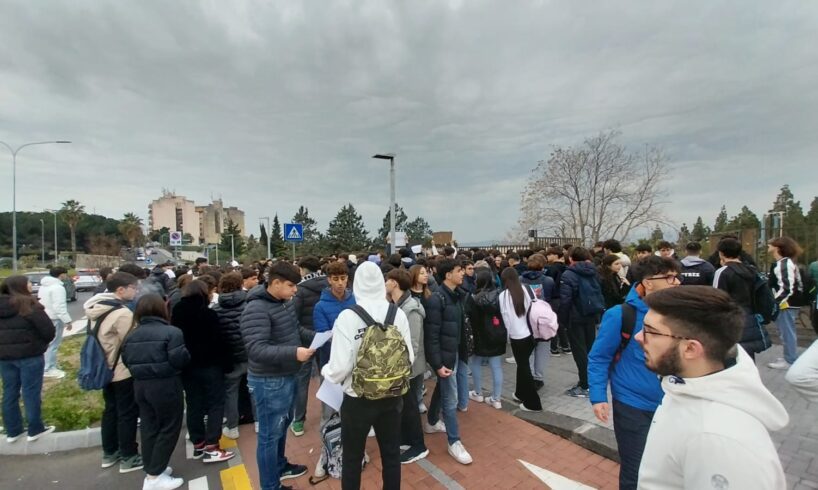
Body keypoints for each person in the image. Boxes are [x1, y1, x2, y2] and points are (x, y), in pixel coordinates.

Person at [635, 287, 788, 489]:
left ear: (690, 348)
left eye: (650, 331)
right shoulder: (686, 384)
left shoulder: (719, 441)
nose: (639, 337)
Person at [588, 257, 679, 490]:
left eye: (676, 277)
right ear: (648, 283)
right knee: (636, 471)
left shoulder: (680, 313)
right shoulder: (621, 315)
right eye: (670, 277)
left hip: (673, 404)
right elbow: (599, 357)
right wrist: (598, 397)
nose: (677, 282)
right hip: (633, 405)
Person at [322, 261, 413, 488]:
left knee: (352, 458)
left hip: (358, 399)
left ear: (356, 285)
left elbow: (339, 368)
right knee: (391, 455)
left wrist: (325, 371)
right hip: (392, 396)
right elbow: (408, 358)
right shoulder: (397, 313)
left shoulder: (347, 317)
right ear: (381, 283)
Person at [240, 261, 315, 490]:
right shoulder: (256, 309)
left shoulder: (284, 303)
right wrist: (294, 352)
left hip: (287, 374)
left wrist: (319, 337)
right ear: (275, 283)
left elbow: (295, 329)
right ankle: (270, 486)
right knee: (269, 436)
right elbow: (256, 349)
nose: (295, 290)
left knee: (282, 426)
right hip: (268, 381)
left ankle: (280, 466)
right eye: (291, 285)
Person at [121, 294, 190, 490]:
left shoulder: (131, 335)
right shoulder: (171, 332)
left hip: (140, 385)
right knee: (169, 427)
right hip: (166, 384)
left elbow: (126, 360)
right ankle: (154, 476)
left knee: (149, 427)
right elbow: (179, 359)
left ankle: (153, 469)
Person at [84, 272, 143, 472]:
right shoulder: (121, 313)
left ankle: (110, 452)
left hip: (103, 367)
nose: (136, 291)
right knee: (127, 413)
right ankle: (129, 456)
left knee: (110, 411)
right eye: (134, 287)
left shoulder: (96, 308)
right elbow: (133, 342)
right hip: (121, 369)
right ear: (121, 289)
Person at [172, 280, 234, 464]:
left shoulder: (177, 312)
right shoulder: (208, 314)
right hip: (210, 365)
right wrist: (227, 363)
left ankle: (198, 442)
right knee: (215, 403)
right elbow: (219, 341)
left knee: (194, 403)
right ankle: (212, 445)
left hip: (187, 366)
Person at [423, 258, 473, 465]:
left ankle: (431, 421)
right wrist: (437, 364)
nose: (463, 273)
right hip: (446, 357)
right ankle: (454, 442)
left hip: (456, 353)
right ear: (448, 275)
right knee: (450, 399)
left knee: (443, 389)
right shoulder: (437, 299)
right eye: (459, 270)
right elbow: (431, 336)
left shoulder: (458, 295)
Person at [0, 275, 56, 443]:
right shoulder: (29, 305)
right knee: (31, 392)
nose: (31, 285)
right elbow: (48, 331)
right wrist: (39, 344)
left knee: (9, 392)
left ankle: (13, 431)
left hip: (4, 358)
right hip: (30, 355)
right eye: (29, 283)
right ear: (22, 286)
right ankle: (35, 429)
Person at [385, 268, 429, 465]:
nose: (384, 284)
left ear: (394, 283)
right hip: (399, 366)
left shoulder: (411, 309)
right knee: (403, 405)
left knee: (410, 406)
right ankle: (406, 438)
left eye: (387, 280)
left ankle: (418, 445)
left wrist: (403, 367)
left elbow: (413, 343)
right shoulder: (396, 305)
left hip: (408, 367)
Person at [712, 238, 769, 360]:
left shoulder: (722, 272)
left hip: (730, 317)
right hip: (750, 316)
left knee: (732, 356)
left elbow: (717, 298)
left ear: (721, 253)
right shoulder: (752, 270)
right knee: (748, 355)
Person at [290, 256, 327, 437]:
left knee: (302, 382)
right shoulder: (328, 284)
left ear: (303, 269)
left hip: (306, 340)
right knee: (327, 377)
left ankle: (298, 421)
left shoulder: (300, 289)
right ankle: (329, 416)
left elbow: (293, 317)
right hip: (326, 337)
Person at [559, 247, 604, 397]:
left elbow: (565, 300)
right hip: (591, 314)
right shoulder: (593, 271)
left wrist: (562, 320)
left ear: (571, 258)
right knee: (590, 349)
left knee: (580, 352)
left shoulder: (569, 274)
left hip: (575, 317)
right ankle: (593, 380)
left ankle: (585, 385)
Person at [212, 272, 250, 440]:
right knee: (254, 389)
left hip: (230, 357)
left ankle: (232, 426)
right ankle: (258, 421)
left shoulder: (216, 309)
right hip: (249, 353)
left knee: (230, 392)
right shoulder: (249, 304)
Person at [499, 267, 543, 412]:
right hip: (532, 334)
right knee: (522, 364)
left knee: (524, 367)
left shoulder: (503, 296)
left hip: (517, 336)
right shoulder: (528, 289)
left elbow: (506, 319)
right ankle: (520, 393)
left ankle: (533, 403)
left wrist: (507, 339)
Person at [467, 268, 506, 409]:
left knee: (475, 363)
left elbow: (470, 318)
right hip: (497, 334)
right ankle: (497, 399)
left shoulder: (473, 298)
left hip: (479, 336)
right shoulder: (500, 295)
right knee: (496, 366)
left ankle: (478, 392)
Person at [767, 236, 806, 370]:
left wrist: (775, 302)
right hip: (789, 302)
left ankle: (790, 360)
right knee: (786, 331)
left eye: (772, 243)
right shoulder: (786, 262)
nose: (769, 245)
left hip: (787, 303)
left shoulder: (784, 264)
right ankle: (789, 357)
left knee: (787, 332)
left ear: (778, 247)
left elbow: (786, 288)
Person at [519, 253, 555, 390]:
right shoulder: (548, 280)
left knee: (528, 349)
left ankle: (528, 375)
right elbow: (552, 299)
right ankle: (538, 377)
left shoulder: (520, 279)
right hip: (544, 319)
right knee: (543, 348)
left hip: (525, 318)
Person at [38, 266, 73, 379]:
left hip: (44, 316)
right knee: (53, 344)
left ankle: (46, 365)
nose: (66, 276)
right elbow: (59, 306)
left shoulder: (44, 286)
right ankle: (48, 368)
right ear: (61, 274)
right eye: (65, 274)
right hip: (55, 317)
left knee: (46, 343)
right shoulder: (58, 288)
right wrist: (67, 320)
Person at [545, 247, 571, 356]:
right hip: (565, 298)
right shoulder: (567, 268)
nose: (547, 257)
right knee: (561, 323)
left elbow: (548, 284)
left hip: (554, 298)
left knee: (553, 323)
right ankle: (566, 346)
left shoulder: (552, 269)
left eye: (549, 254)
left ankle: (554, 348)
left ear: (555, 255)